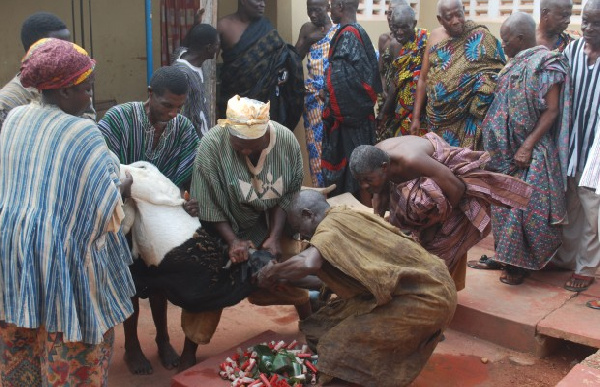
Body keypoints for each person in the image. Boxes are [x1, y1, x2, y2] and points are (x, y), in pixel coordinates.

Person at [0, 38, 135, 386]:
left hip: (15, 257)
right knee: (74, 354)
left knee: (20, 342)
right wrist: (124, 185)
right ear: (63, 93)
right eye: (87, 89)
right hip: (65, 263)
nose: (90, 97)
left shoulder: (14, 118)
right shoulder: (81, 132)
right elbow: (107, 212)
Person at [256, 190, 457, 387]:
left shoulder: (328, 229)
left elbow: (308, 264)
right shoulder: (344, 214)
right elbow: (326, 281)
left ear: (308, 214)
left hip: (424, 296)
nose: (304, 236)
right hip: (436, 283)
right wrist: (287, 280)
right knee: (321, 329)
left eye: (301, 228)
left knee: (334, 345)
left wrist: (272, 272)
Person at [181, 95, 311, 370]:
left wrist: (274, 236)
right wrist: (233, 242)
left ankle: (310, 322)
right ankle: (190, 348)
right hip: (222, 223)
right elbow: (208, 202)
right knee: (211, 279)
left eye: (249, 147)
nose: (242, 152)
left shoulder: (286, 141)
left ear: (265, 138)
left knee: (289, 265)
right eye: (237, 146)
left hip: (268, 220)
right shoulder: (213, 144)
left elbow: (287, 195)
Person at [98, 66, 200, 375]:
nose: (173, 113)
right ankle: (131, 345)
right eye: (167, 105)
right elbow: (101, 165)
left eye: (179, 106)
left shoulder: (182, 129)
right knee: (130, 279)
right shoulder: (118, 119)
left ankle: (163, 338)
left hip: (160, 218)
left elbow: (187, 174)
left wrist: (189, 198)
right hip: (122, 212)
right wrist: (126, 189)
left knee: (160, 281)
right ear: (150, 94)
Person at [348, 135, 532, 291]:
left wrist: (436, 221)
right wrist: (377, 225)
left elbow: (457, 188)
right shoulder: (374, 163)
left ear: (384, 167)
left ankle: (440, 295)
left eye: (368, 180)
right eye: (360, 181)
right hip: (427, 184)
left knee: (440, 245)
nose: (364, 186)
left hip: (450, 187)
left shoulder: (410, 161)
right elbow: (378, 194)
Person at [480, 13, 570, 285]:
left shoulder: (546, 63)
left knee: (526, 210)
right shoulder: (512, 64)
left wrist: (527, 146)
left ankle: (521, 266)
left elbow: (551, 111)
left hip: (529, 153)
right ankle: (506, 258)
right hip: (504, 154)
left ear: (520, 39)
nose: (502, 45)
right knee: (503, 208)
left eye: (506, 41)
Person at [410, 0, 505, 150]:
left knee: (465, 163)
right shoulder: (434, 37)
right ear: (440, 19)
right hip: (438, 118)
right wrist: (415, 118)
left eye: (459, 14)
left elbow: (497, 72)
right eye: (449, 17)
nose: (455, 21)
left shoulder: (481, 36)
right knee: (439, 160)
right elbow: (423, 78)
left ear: (464, 10)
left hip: (467, 118)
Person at [553, 0, 600, 293]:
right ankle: (567, 259)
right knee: (571, 204)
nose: (589, 28)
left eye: (597, 23)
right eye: (586, 21)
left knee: (593, 211)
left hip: (596, 151)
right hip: (572, 146)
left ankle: (586, 267)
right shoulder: (572, 50)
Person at [321, 0, 382, 199]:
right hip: (357, 117)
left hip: (349, 122)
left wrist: (328, 96)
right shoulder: (357, 32)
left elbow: (341, 80)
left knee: (359, 175)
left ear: (340, 6)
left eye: (331, 5)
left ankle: (359, 218)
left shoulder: (348, 35)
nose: (329, 10)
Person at [217, 0, 304, 130]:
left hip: (266, 103)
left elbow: (283, 58)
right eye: (258, 0)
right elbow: (208, 61)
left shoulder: (266, 26)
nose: (262, 4)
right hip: (234, 100)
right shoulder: (223, 26)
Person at [294, 0, 338, 188]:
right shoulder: (307, 29)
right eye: (309, 10)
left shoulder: (340, 29)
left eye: (317, 10)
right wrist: (309, 40)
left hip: (334, 97)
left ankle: (338, 192)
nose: (312, 15)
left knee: (335, 145)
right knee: (315, 148)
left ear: (328, 8)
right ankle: (320, 190)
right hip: (313, 98)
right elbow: (295, 57)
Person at [0, 12, 71, 128]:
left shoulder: (75, 88)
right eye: (59, 49)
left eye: (70, 47)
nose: (70, 54)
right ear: (34, 51)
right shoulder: (7, 103)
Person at [377, 5, 429, 140]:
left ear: (414, 24)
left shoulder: (425, 41)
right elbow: (396, 81)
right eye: (395, 27)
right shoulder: (394, 45)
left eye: (404, 27)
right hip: (400, 108)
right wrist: (384, 111)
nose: (399, 32)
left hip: (423, 109)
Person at [172, 23, 220, 138]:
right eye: (217, 45)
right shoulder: (183, 74)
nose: (219, 49)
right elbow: (179, 116)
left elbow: (185, 45)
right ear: (208, 48)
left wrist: (195, 22)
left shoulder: (181, 53)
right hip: (192, 141)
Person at [375, 0, 408, 141]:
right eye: (389, 12)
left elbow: (400, 76)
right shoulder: (384, 39)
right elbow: (381, 70)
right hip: (384, 96)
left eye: (394, 12)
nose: (390, 16)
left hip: (401, 99)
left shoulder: (408, 41)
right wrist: (382, 90)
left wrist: (390, 100)